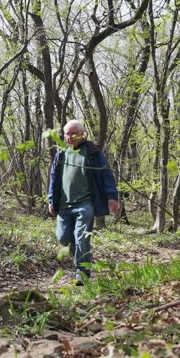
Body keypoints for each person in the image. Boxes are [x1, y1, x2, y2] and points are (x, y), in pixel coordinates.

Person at [48, 120, 119, 285]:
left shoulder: (93, 152)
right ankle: (80, 253)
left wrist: (112, 196)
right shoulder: (61, 154)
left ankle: (82, 273)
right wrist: (51, 199)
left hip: (85, 204)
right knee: (63, 238)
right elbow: (53, 178)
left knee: (81, 238)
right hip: (64, 205)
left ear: (82, 133)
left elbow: (105, 174)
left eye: (73, 133)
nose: (70, 136)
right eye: (67, 133)